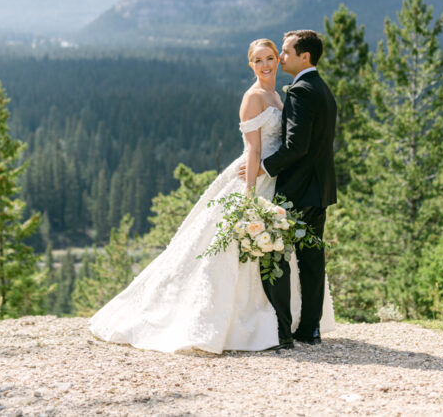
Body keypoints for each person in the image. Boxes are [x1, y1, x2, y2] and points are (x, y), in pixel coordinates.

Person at [88, 38, 335, 353]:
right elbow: (253, 149)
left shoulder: (278, 95)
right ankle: (259, 326)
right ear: (250, 64)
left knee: (273, 253)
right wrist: (249, 197)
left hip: (276, 181)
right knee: (248, 252)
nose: (267, 64)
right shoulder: (253, 98)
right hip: (256, 177)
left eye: (272, 57)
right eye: (258, 60)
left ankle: (279, 325)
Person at [241, 29, 337, 348]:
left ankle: (280, 331)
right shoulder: (322, 88)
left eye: (284, 52)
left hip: (297, 189)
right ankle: (309, 328)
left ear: (303, 56)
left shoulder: (299, 92)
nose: (280, 59)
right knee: (311, 259)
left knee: (275, 256)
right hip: (320, 188)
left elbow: (296, 146)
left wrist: (262, 168)